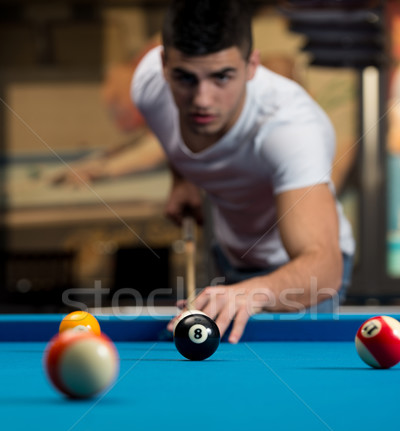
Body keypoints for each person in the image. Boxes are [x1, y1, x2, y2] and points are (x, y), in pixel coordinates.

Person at [132, 0, 355, 343]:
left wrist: (252, 292)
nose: (202, 99)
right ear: (164, 65)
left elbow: (325, 266)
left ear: (252, 65)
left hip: (299, 274)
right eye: (185, 78)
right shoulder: (149, 87)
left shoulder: (288, 127)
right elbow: (171, 136)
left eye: (222, 76)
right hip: (231, 256)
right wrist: (182, 179)